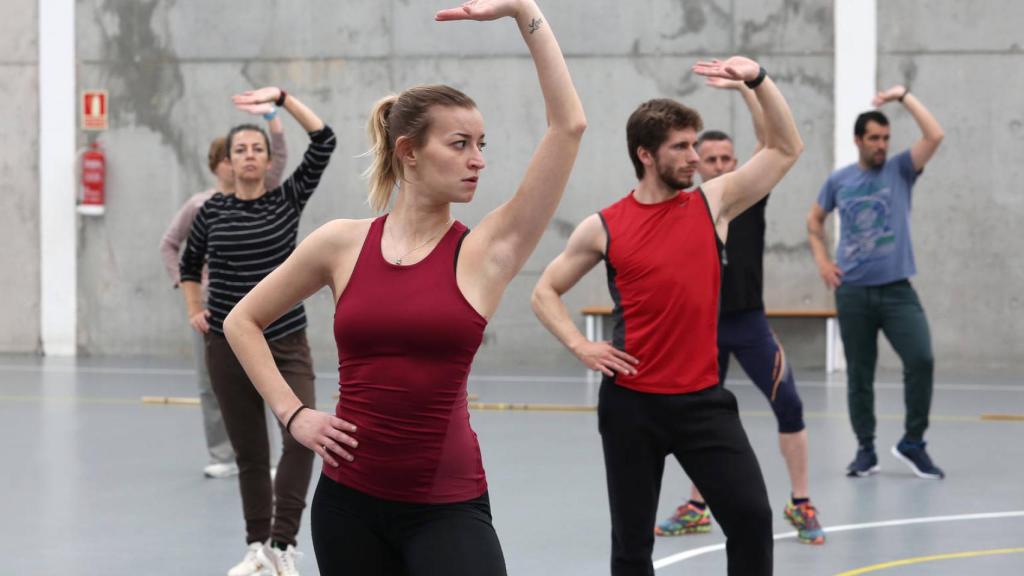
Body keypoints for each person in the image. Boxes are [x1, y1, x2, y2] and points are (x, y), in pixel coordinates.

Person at [222, 1, 585, 574]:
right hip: (347, 507)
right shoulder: (341, 243)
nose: (478, 161)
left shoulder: (485, 252)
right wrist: (295, 416)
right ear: (409, 151)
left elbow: (569, 127)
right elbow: (240, 321)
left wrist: (523, 11)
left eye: (482, 144)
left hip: (446, 508)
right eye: (460, 143)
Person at [532, 57, 803, 575]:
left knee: (751, 519)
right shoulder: (603, 227)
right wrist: (580, 345)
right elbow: (544, 290)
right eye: (681, 147)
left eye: (694, 145)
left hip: (703, 404)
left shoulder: (713, 205)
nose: (695, 158)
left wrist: (760, 79)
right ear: (645, 154)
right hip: (631, 407)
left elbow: (786, 149)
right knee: (632, 549)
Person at [653, 79, 824, 545]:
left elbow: (772, 141)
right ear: (697, 165)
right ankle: (696, 505)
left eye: (728, 159)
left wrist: (749, 88)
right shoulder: (686, 206)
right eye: (711, 160)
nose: (721, 166)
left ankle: (801, 500)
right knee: (696, 416)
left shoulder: (748, 196)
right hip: (702, 329)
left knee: (788, 403)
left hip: (748, 323)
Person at [179, 88, 336, 576]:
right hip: (227, 346)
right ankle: (256, 548)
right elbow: (188, 264)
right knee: (251, 452)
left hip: (286, 340)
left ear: (270, 159)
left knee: (301, 436)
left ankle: (283, 543)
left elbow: (324, 141)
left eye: (258, 149)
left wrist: (284, 101)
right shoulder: (211, 211)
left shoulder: (286, 200)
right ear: (227, 161)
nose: (249, 156)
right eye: (240, 150)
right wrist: (194, 309)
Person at [806, 84, 944, 480]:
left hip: (898, 289)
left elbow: (935, 135)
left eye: (886, 137)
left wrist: (904, 97)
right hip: (852, 292)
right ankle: (865, 449)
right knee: (860, 374)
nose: (882, 144)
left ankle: (913, 442)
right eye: (874, 138)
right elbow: (813, 221)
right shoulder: (840, 180)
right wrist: (823, 262)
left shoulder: (901, 169)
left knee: (921, 359)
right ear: (858, 140)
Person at [160, 112, 287, 479]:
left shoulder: (268, 193)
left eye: (252, 152)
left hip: (261, 307)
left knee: (268, 379)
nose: (238, 164)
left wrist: (274, 117)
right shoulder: (201, 205)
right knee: (212, 385)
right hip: (213, 310)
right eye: (229, 158)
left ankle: (272, 456)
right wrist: (190, 294)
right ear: (220, 166)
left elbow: (280, 155)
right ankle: (223, 455)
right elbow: (171, 246)